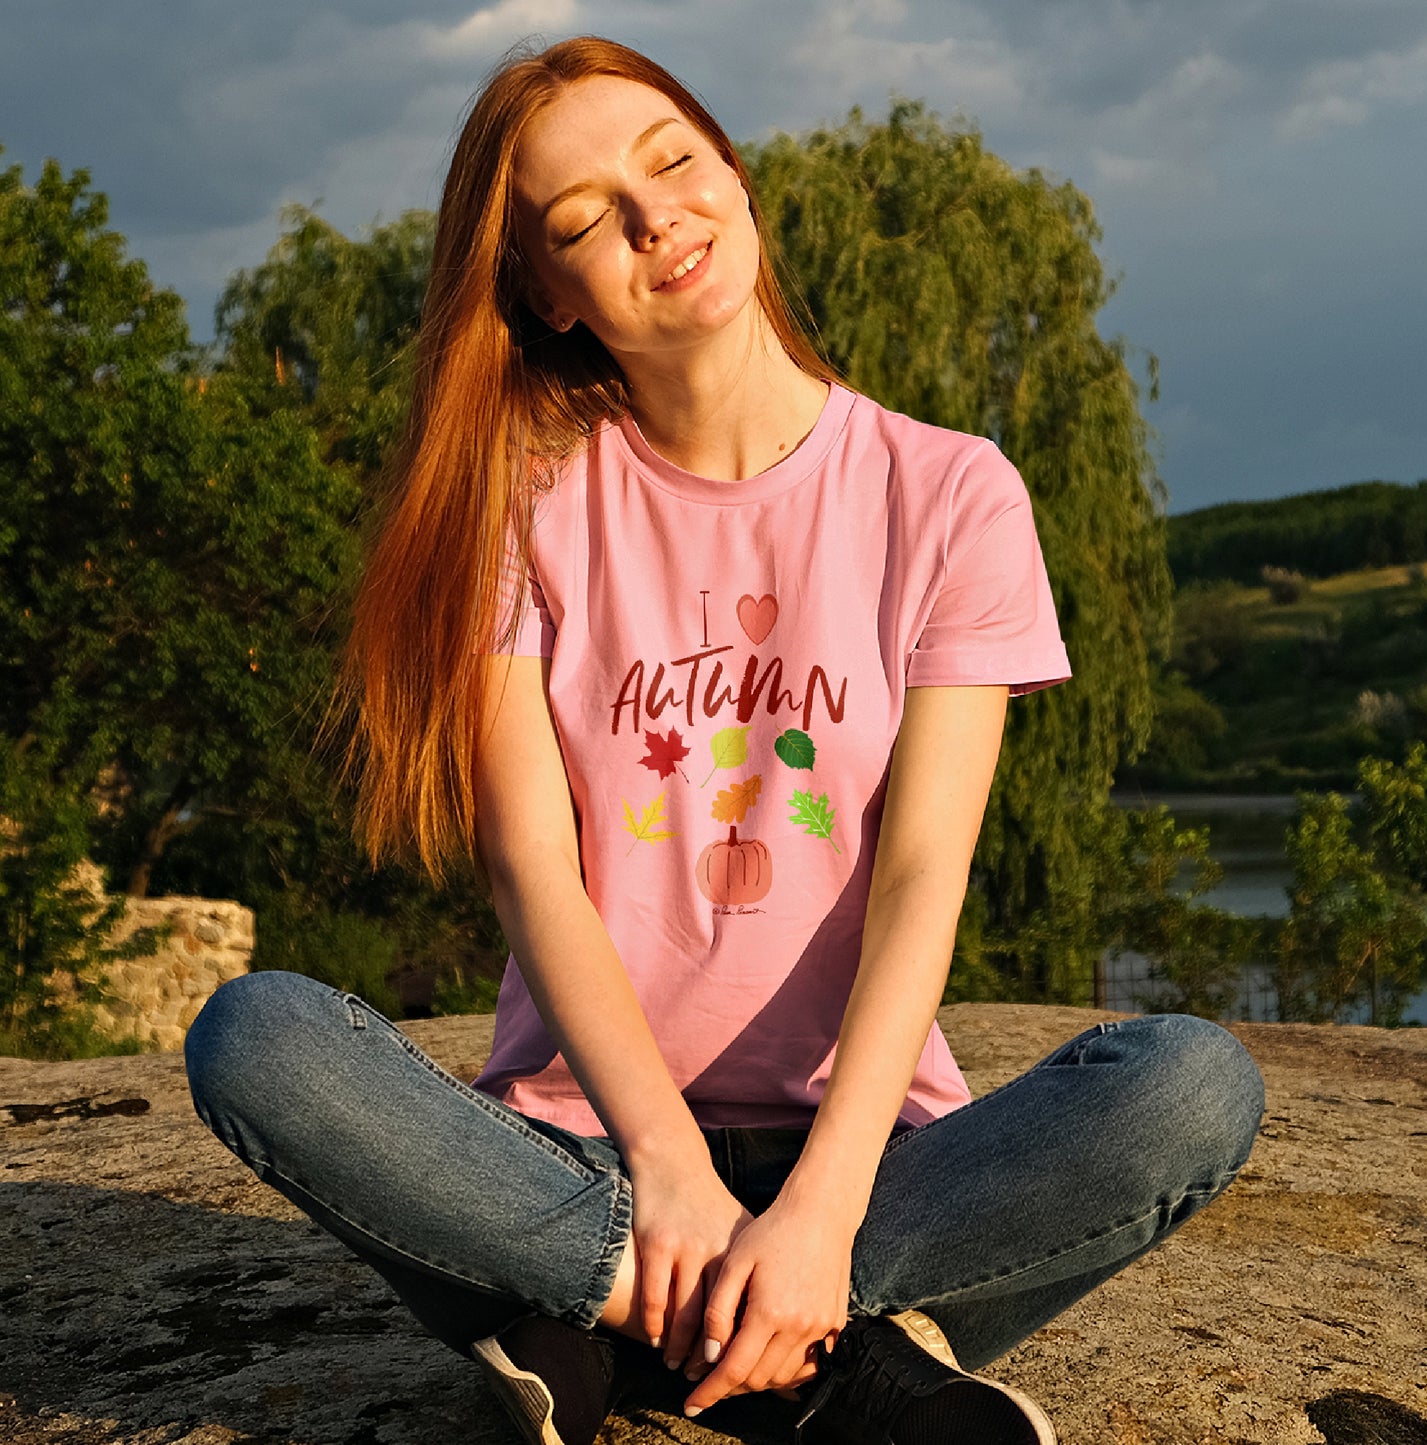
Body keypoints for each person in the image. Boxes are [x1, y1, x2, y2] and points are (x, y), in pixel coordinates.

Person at [183, 35, 1265, 1445]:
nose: (653, 221)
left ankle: (591, 1325)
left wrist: (815, 1209)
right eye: (582, 223)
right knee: (254, 1032)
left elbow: (922, 869)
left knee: (1190, 1079)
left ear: (735, 174)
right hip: (576, 1151)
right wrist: (668, 1175)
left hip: (873, 1160)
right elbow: (530, 863)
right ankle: (828, 1363)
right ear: (546, 296)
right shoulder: (521, 504)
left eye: (672, 163)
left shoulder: (949, 493)